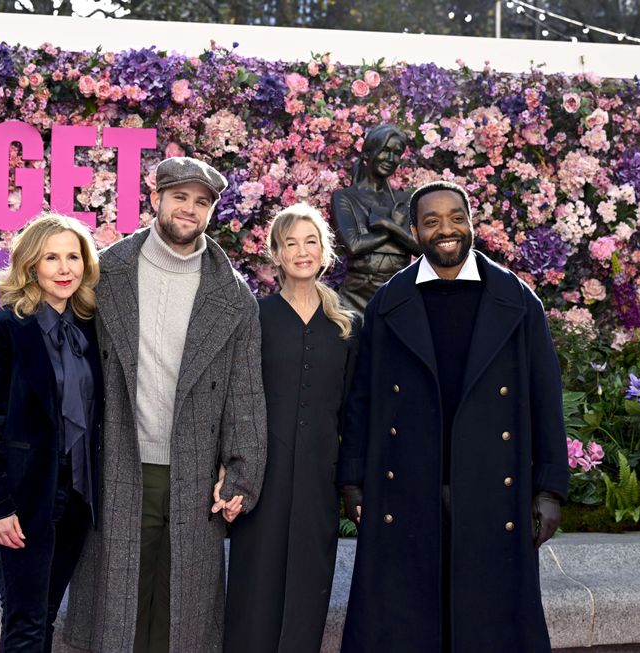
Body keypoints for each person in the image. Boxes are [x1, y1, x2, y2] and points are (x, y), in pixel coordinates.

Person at [337, 180, 568, 653]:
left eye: (456, 218)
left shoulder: (517, 300)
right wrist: (353, 480)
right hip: (407, 489)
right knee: (406, 627)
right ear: (415, 230)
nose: (447, 230)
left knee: (488, 629)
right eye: (432, 221)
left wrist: (549, 489)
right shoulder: (389, 301)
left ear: (471, 223)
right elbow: (363, 399)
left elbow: (546, 399)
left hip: (491, 492)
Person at [64, 156, 267, 653]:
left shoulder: (233, 295)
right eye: (180, 197)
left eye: (202, 202)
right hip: (118, 460)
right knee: (119, 604)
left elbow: (245, 392)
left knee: (181, 612)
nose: (188, 209)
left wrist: (242, 473)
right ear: (157, 198)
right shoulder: (106, 271)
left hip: (194, 471)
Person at [224, 203, 359, 653]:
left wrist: (351, 481)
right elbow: (231, 400)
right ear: (276, 255)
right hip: (262, 476)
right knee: (254, 587)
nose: (302, 252)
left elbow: (354, 411)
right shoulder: (255, 319)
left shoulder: (346, 327)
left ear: (324, 252)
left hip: (321, 478)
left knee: (309, 585)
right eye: (291, 244)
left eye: (311, 241)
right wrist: (228, 470)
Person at [0, 212, 103, 653]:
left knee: (43, 617)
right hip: (21, 500)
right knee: (25, 621)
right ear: (30, 265)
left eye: (73, 257)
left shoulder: (91, 330)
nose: (65, 269)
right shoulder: (2, 329)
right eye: (52, 258)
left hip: (76, 498)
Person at [332, 123, 422, 313]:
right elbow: (354, 245)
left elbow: (419, 247)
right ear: (367, 153)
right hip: (355, 295)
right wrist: (396, 232)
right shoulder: (345, 197)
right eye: (385, 150)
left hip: (397, 294)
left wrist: (387, 225)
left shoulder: (404, 200)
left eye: (397, 153)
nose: (391, 158)